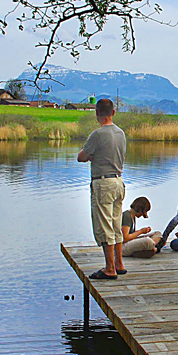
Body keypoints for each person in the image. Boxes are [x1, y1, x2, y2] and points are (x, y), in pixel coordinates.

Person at [77, 99, 127, 279]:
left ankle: (109, 268)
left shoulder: (97, 135)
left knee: (104, 226)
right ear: (113, 112)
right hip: (119, 182)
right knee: (116, 224)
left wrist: (91, 156)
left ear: (97, 114)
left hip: (103, 183)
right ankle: (119, 264)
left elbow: (81, 157)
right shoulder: (121, 133)